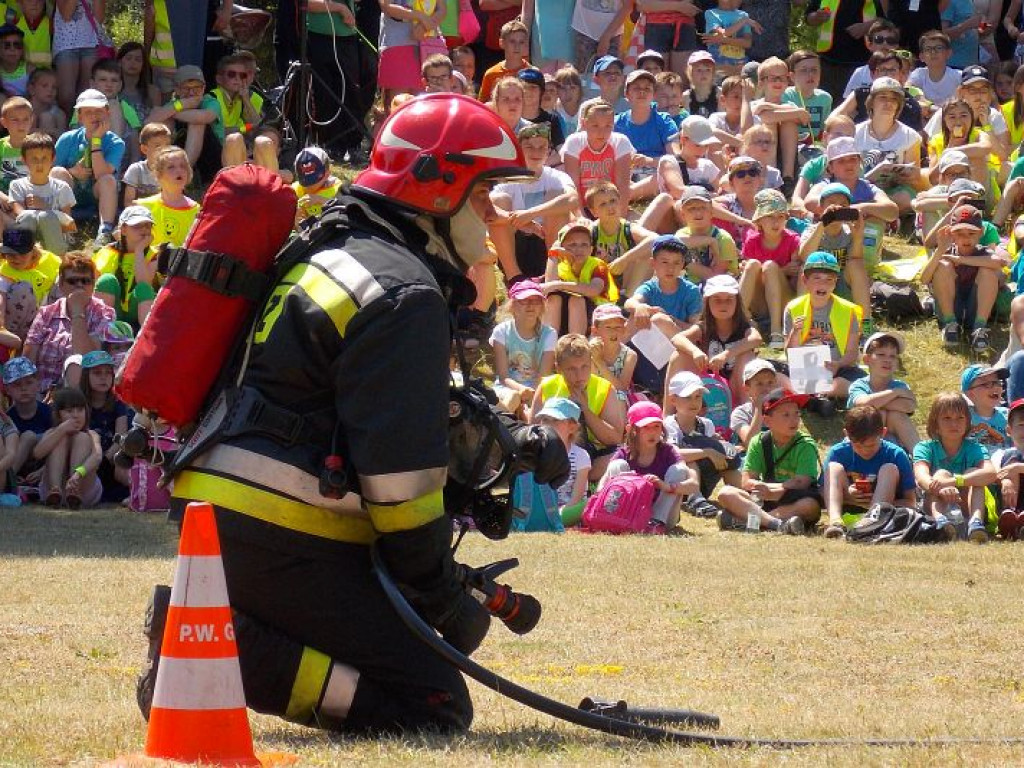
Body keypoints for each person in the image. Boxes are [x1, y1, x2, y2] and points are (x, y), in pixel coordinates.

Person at [138, 95, 569, 735]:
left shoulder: (332, 251)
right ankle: (218, 651)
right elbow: (398, 487)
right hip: (280, 530)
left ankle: (214, 617)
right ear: (438, 192)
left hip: (232, 518)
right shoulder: (404, 294)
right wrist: (437, 591)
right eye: (484, 195)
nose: (494, 214)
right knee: (431, 703)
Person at [717, 387, 821, 534]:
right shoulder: (758, 442)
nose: (794, 420)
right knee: (725, 493)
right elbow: (747, 481)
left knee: (810, 506)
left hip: (793, 499)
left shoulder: (805, 444)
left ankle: (743, 521)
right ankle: (776, 524)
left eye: (796, 414)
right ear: (767, 420)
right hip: (764, 499)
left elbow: (801, 483)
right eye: (786, 415)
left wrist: (770, 491)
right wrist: (761, 489)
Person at [532, 332, 625, 480]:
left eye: (584, 367)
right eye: (571, 369)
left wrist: (585, 410)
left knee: (620, 458)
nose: (579, 375)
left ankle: (580, 475)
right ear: (559, 368)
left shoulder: (605, 389)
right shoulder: (547, 386)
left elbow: (614, 439)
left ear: (591, 363)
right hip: (555, 450)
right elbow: (533, 431)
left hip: (594, 454)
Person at [599, 400, 697, 533]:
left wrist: (665, 486)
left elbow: (693, 486)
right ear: (631, 429)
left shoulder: (669, 452)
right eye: (645, 427)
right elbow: (603, 485)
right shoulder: (623, 453)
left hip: (665, 515)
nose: (652, 432)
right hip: (630, 513)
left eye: (656, 426)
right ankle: (617, 517)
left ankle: (656, 522)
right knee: (617, 466)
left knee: (679, 470)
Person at [822, 405, 918, 539]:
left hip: (883, 514)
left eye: (871, 445)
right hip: (848, 511)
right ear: (847, 435)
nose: (865, 450)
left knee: (889, 469)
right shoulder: (838, 453)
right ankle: (836, 523)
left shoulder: (896, 454)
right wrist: (848, 496)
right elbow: (822, 492)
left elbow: (911, 502)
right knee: (833, 467)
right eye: (858, 445)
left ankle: (873, 521)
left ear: (883, 433)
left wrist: (879, 502)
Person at [919, 202, 1004, 353]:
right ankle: (950, 324)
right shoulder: (945, 251)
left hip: (975, 309)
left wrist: (961, 260)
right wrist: (940, 250)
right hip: (950, 307)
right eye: (959, 234)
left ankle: (979, 327)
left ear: (981, 233)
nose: (966, 239)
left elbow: (999, 263)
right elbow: (924, 280)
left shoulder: (983, 252)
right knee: (943, 266)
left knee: (988, 271)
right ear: (951, 234)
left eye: (971, 234)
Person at [913, 391, 997, 543]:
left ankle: (975, 523)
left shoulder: (974, 447)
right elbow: (921, 476)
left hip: (965, 502)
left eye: (960, 418)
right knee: (941, 473)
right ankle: (941, 522)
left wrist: (954, 482)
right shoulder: (925, 447)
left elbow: (991, 473)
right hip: (934, 500)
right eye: (947, 418)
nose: (954, 424)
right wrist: (940, 486)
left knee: (976, 476)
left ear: (967, 422)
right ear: (935, 423)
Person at [23, 253, 114, 393]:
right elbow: (28, 361)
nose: (79, 286)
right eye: (72, 281)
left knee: (76, 362)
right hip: (42, 391)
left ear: (93, 285)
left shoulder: (105, 314)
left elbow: (88, 358)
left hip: (82, 395)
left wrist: (78, 311)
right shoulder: (46, 313)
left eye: (85, 281)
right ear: (61, 285)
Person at [783, 251, 865, 404]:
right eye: (817, 278)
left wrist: (838, 365)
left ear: (835, 284)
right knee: (770, 370)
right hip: (803, 368)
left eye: (829, 280)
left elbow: (852, 353)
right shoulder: (793, 308)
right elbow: (789, 354)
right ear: (805, 280)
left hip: (837, 370)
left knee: (856, 380)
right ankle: (815, 395)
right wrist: (795, 332)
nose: (823, 285)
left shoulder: (849, 311)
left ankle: (807, 395)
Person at [665, 273, 760, 401]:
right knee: (679, 355)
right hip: (707, 387)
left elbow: (756, 339)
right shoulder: (703, 327)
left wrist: (726, 354)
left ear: (737, 302)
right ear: (707, 302)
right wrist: (695, 352)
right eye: (717, 300)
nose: (723, 305)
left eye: (729, 300)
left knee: (747, 355)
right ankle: (668, 413)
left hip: (735, 386)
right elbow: (677, 339)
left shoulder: (744, 327)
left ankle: (747, 410)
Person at [663, 369, 741, 517]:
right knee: (690, 458)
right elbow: (672, 454)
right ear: (673, 400)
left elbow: (717, 449)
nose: (694, 402)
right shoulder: (670, 425)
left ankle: (743, 497)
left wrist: (724, 448)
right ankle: (695, 498)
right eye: (687, 397)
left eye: (698, 397)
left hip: (705, 479)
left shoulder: (707, 424)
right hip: (680, 483)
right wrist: (707, 452)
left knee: (729, 465)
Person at [52, 88, 124, 245]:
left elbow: (101, 174)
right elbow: (48, 174)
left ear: (107, 112)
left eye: (98, 111)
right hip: (70, 193)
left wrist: (96, 140)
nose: (94, 116)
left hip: (97, 194)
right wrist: (73, 172)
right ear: (79, 116)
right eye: (88, 112)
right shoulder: (67, 138)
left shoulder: (115, 142)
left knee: (108, 180)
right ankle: (63, 227)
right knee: (58, 172)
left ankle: (104, 231)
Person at [739, 188, 800, 348]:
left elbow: (795, 281)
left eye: (780, 217)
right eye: (770, 217)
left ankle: (776, 330)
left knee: (769, 266)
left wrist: (778, 271)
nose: (776, 222)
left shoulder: (793, 240)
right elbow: (750, 273)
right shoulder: (752, 241)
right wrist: (783, 270)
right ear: (759, 220)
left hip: (783, 301)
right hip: (760, 302)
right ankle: (741, 320)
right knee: (753, 265)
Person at [489, 279, 557, 417]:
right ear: (513, 305)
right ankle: (502, 428)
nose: (530, 306)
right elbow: (503, 376)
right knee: (513, 397)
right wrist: (521, 390)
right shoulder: (501, 332)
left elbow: (543, 376)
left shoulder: (549, 334)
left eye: (536, 301)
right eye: (524, 301)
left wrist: (532, 394)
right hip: (508, 387)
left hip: (538, 389)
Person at [847, 331, 919, 451]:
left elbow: (910, 406)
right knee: (877, 414)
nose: (887, 360)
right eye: (881, 354)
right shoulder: (859, 385)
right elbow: (862, 404)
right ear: (867, 359)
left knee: (896, 416)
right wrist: (895, 393)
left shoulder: (900, 385)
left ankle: (921, 458)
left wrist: (876, 403)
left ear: (897, 363)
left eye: (892, 356)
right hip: (864, 443)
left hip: (895, 440)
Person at [32, 385, 102, 508]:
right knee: (60, 438)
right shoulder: (53, 432)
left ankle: (74, 491)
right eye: (69, 411)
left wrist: (78, 474)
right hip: (52, 489)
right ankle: (55, 490)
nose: (75, 415)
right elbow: (37, 453)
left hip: (83, 488)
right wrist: (61, 429)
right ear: (58, 415)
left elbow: (97, 456)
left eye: (80, 410)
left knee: (81, 437)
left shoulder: (91, 434)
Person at [74, 349, 130, 500]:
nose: (103, 378)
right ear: (86, 376)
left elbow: (121, 437)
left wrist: (105, 458)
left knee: (120, 467)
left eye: (108, 373)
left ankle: (144, 493)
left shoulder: (118, 403)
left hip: (108, 460)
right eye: (97, 373)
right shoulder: (78, 403)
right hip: (83, 458)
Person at [93, 205, 159, 328]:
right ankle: (101, 330)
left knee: (144, 288)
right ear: (123, 230)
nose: (144, 229)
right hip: (113, 309)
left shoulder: (153, 254)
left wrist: (139, 250)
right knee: (106, 280)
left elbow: (144, 283)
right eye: (137, 226)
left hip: (137, 310)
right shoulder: (106, 252)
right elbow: (95, 284)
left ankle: (145, 336)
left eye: (148, 225)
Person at [136, 146, 200, 249]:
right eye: (171, 167)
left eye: (183, 166)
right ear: (158, 174)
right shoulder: (143, 207)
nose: (179, 170)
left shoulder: (197, 211)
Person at [4, 355, 50, 484]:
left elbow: (60, 446)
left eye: (29, 383)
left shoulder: (50, 413)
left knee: (30, 436)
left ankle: (8, 479)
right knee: (27, 436)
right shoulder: (8, 418)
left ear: (37, 384)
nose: (24, 388)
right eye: (17, 384)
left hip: (45, 467)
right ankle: (9, 478)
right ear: (7, 389)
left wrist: (44, 471)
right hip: (17, 466)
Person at [589, 302, 636, 403]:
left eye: (618, 327)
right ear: (595, 331)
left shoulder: (630, 355)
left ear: (624, 329)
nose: (613, 332)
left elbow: (622, 388)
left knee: (620, 397)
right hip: (592, 397)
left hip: (616, 399)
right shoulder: (588, 351)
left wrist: (599, 362)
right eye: (608, 327)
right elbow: (589, 384)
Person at [961, 363, 1011, 454]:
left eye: (997, 382)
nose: (995, 387)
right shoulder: (962, 418)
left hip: (1004, 462)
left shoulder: (1008, 415)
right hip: (974, 463)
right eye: (986, 384)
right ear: (970, 394)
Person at [730, 357, 779, 447]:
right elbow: (750, 442)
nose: (766, 389)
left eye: (770, 382)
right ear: (747, 388)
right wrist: (759, 409)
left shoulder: (782, 409)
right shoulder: (741, 413)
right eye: (759, 384)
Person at [292, 146, 343, 227]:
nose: (308, 186)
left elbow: (345, 209)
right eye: (304, 182)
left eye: (313, 182)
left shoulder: (336, 188)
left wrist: (322, 200)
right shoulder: (296, 189)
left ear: (327, 174)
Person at [123, 122, 171, 206]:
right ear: (144, 149)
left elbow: (174, 199)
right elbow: (128, 202)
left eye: (167, 145)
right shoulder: (136, 169)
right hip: (139, 212)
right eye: (158, 146)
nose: (164, 150)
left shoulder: (171, 171)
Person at [995, 397, 1024, 540]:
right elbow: (993, 472)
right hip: (1013, 500)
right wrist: (1005, 480)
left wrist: (1018, 467)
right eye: (1021, 424)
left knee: (1013, 465)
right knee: (1012, 457)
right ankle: (1011, 518)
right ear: (1009, 430)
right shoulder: (1003, 454)